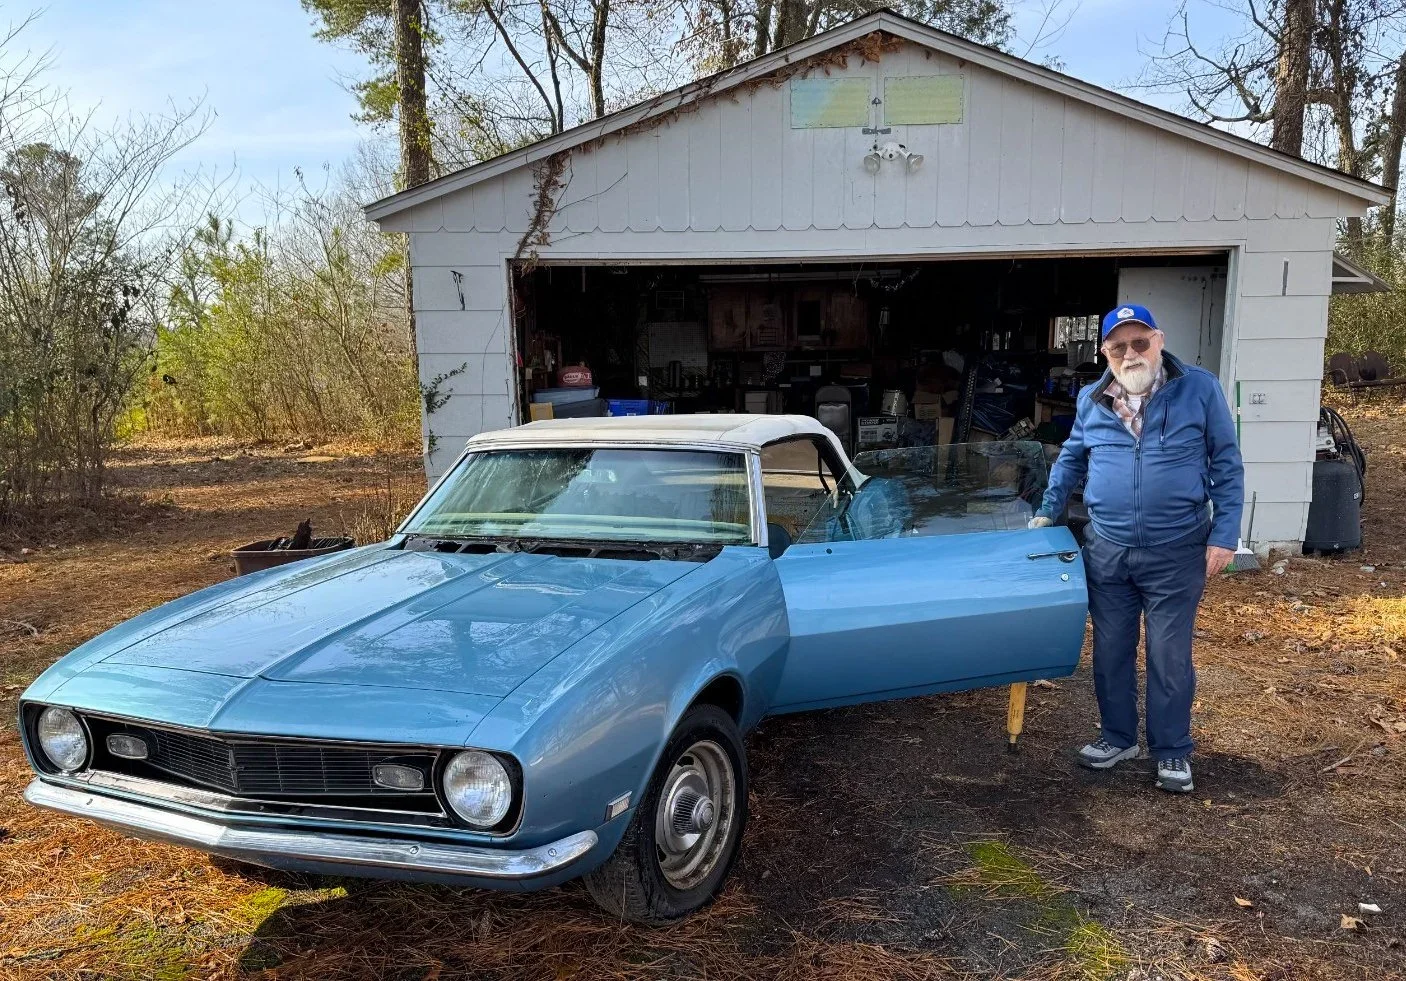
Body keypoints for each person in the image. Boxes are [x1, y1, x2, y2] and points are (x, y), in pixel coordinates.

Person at [1029, 303, 1244, 793]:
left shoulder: (1200, 389)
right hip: (1107, 549)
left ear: (1159, 341)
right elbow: (1069, 461)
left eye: (1139, 342)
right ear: (1106, 352)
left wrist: (1224, 534)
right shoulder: (1091, 399)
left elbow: (1227, 464)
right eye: (1119, 346)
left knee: (1169, 655)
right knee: (1110, 651)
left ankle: (1171, 751)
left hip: (1177, 549)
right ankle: (1117, 737)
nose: (1131, 354)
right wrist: (1047, 510)